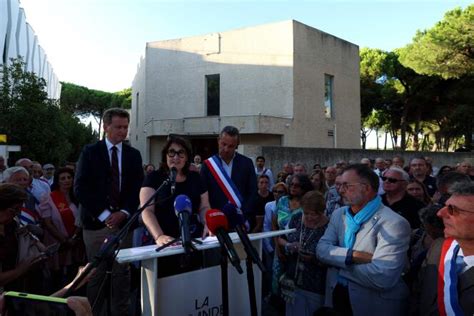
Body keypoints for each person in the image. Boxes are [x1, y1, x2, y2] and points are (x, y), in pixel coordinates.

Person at [74, 108, 143, 315]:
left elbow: (137, 188)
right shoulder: (90, 152)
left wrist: (123, 212)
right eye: (118, 127)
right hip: (96, 226)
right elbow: (80, 188)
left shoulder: (133, 155)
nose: (123, 131)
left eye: (125, 127)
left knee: (122, 276)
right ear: (106, 127)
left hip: (124, 226)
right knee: (95, 275)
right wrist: (105, 215)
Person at [317, 164, 411, 316]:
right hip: (338, 296)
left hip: (373, 304)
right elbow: (321, 249)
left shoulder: (394, 223)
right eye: (339, 185)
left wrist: (336, 264)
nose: (340, 190)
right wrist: (352, 256)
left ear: (366, 188)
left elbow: (382, 277)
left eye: (346, 186)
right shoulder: (339, 214)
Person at [140, 136, 210, 275]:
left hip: (193, 242)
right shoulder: (154, 177)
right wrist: (159, 236)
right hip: (163, 245)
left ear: (187, 157)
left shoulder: (196, 178)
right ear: (165, 155)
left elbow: (204, 207)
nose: (176, 157)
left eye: (181, 153)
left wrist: (207, 222)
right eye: (171, 152)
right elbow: (147, 211)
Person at [419, 182, 474, 315]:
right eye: (444, 206)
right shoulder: (438, 248)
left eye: (452, 209)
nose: (440, 213)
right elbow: (418, 294)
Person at [280, 191, 328, 315]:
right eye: (306, 213)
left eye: (314, 214)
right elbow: (280, 238)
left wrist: (313, 259)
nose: (309, 217)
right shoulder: (296, 218)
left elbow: (332, 256)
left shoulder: (329, 226)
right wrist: (289, 245)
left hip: (316, 284)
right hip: (293, 280)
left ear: (322, 212)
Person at [200, 125, 257, 222]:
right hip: (216, 220)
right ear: (218, 140)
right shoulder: (208, 165)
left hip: (240, 220)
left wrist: (246, 218)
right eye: (223, 144)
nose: (226, 149)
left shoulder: (247, 163)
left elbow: (252, 193)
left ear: (237, 145)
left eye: (231, 146)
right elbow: (204, 195)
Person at [271, 174, 313, 297]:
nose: (293, 187)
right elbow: (274, 225)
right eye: (291, 184)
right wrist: (278, 248)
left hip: (299, 248)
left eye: (297, 185)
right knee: (277, 280)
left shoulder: (308, 204)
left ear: (304, 187)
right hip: (280, 244)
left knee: (294, 283)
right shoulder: (283, 200)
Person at [49, 167, 83, 288]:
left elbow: (82, 219)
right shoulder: (49, 197)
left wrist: (74, 237)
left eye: (69, 177)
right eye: (62, 178)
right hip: (57, 241)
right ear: (57, 181)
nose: (67, 180)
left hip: (75, 241)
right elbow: (47, 222)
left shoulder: (79, 197)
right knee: (56, 275)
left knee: (73, 273)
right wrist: (63, 239)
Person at [262, 182, 288, 298]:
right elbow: (267, 226)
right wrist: (269, 247)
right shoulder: (268, 205)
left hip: (285, 242)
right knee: (270, 270)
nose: (277, 194)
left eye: (281, 192)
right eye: (275, 191)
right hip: (271, 242)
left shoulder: (288, 206)